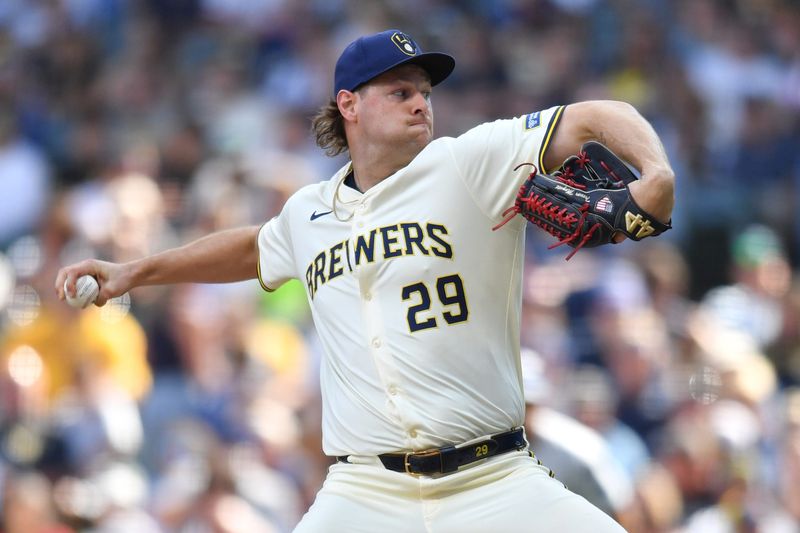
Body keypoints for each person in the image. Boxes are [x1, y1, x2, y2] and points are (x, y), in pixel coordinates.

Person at [56, 29, 674, 532]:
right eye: (400, 91)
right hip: (366, 490)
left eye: (425, 92)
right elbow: (252, 246)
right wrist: (133, 271)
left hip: (494, 478)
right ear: (348, 104)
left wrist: (654, 172)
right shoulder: (307, 213)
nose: (420, 103)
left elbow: (601, 114)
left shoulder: (467, 162)